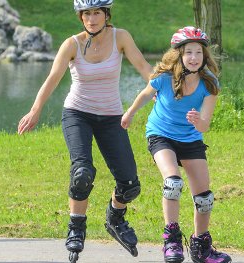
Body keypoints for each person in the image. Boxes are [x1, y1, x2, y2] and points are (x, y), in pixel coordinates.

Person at [15, 0, 153, 261]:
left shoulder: (120, 37)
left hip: (112, 116)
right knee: (82, 172)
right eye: (87, 13)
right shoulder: (72, 44)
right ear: (81, 17)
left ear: (106, 14)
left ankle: (115, 218)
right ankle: (76, 227)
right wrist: (35, 110)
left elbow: (145, 69)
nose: (92, 18)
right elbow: (53, 78)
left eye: (97, 13)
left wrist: (162, 90)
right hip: (78, 114)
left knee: (130, 184)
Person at [121, 26, 231, 263]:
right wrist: (130, 113)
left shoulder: (210, 83)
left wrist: (198, 120)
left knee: (205, 197)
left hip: (191, 138)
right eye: (189, 52)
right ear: (179, 55)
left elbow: (204, 127)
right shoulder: (164, 76)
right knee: (173, 183)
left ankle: (201, 247)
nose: (194, 58)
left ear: (204, 56)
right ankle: (171, 241)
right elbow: (144, 94)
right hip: (161, 134)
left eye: (199, 53)